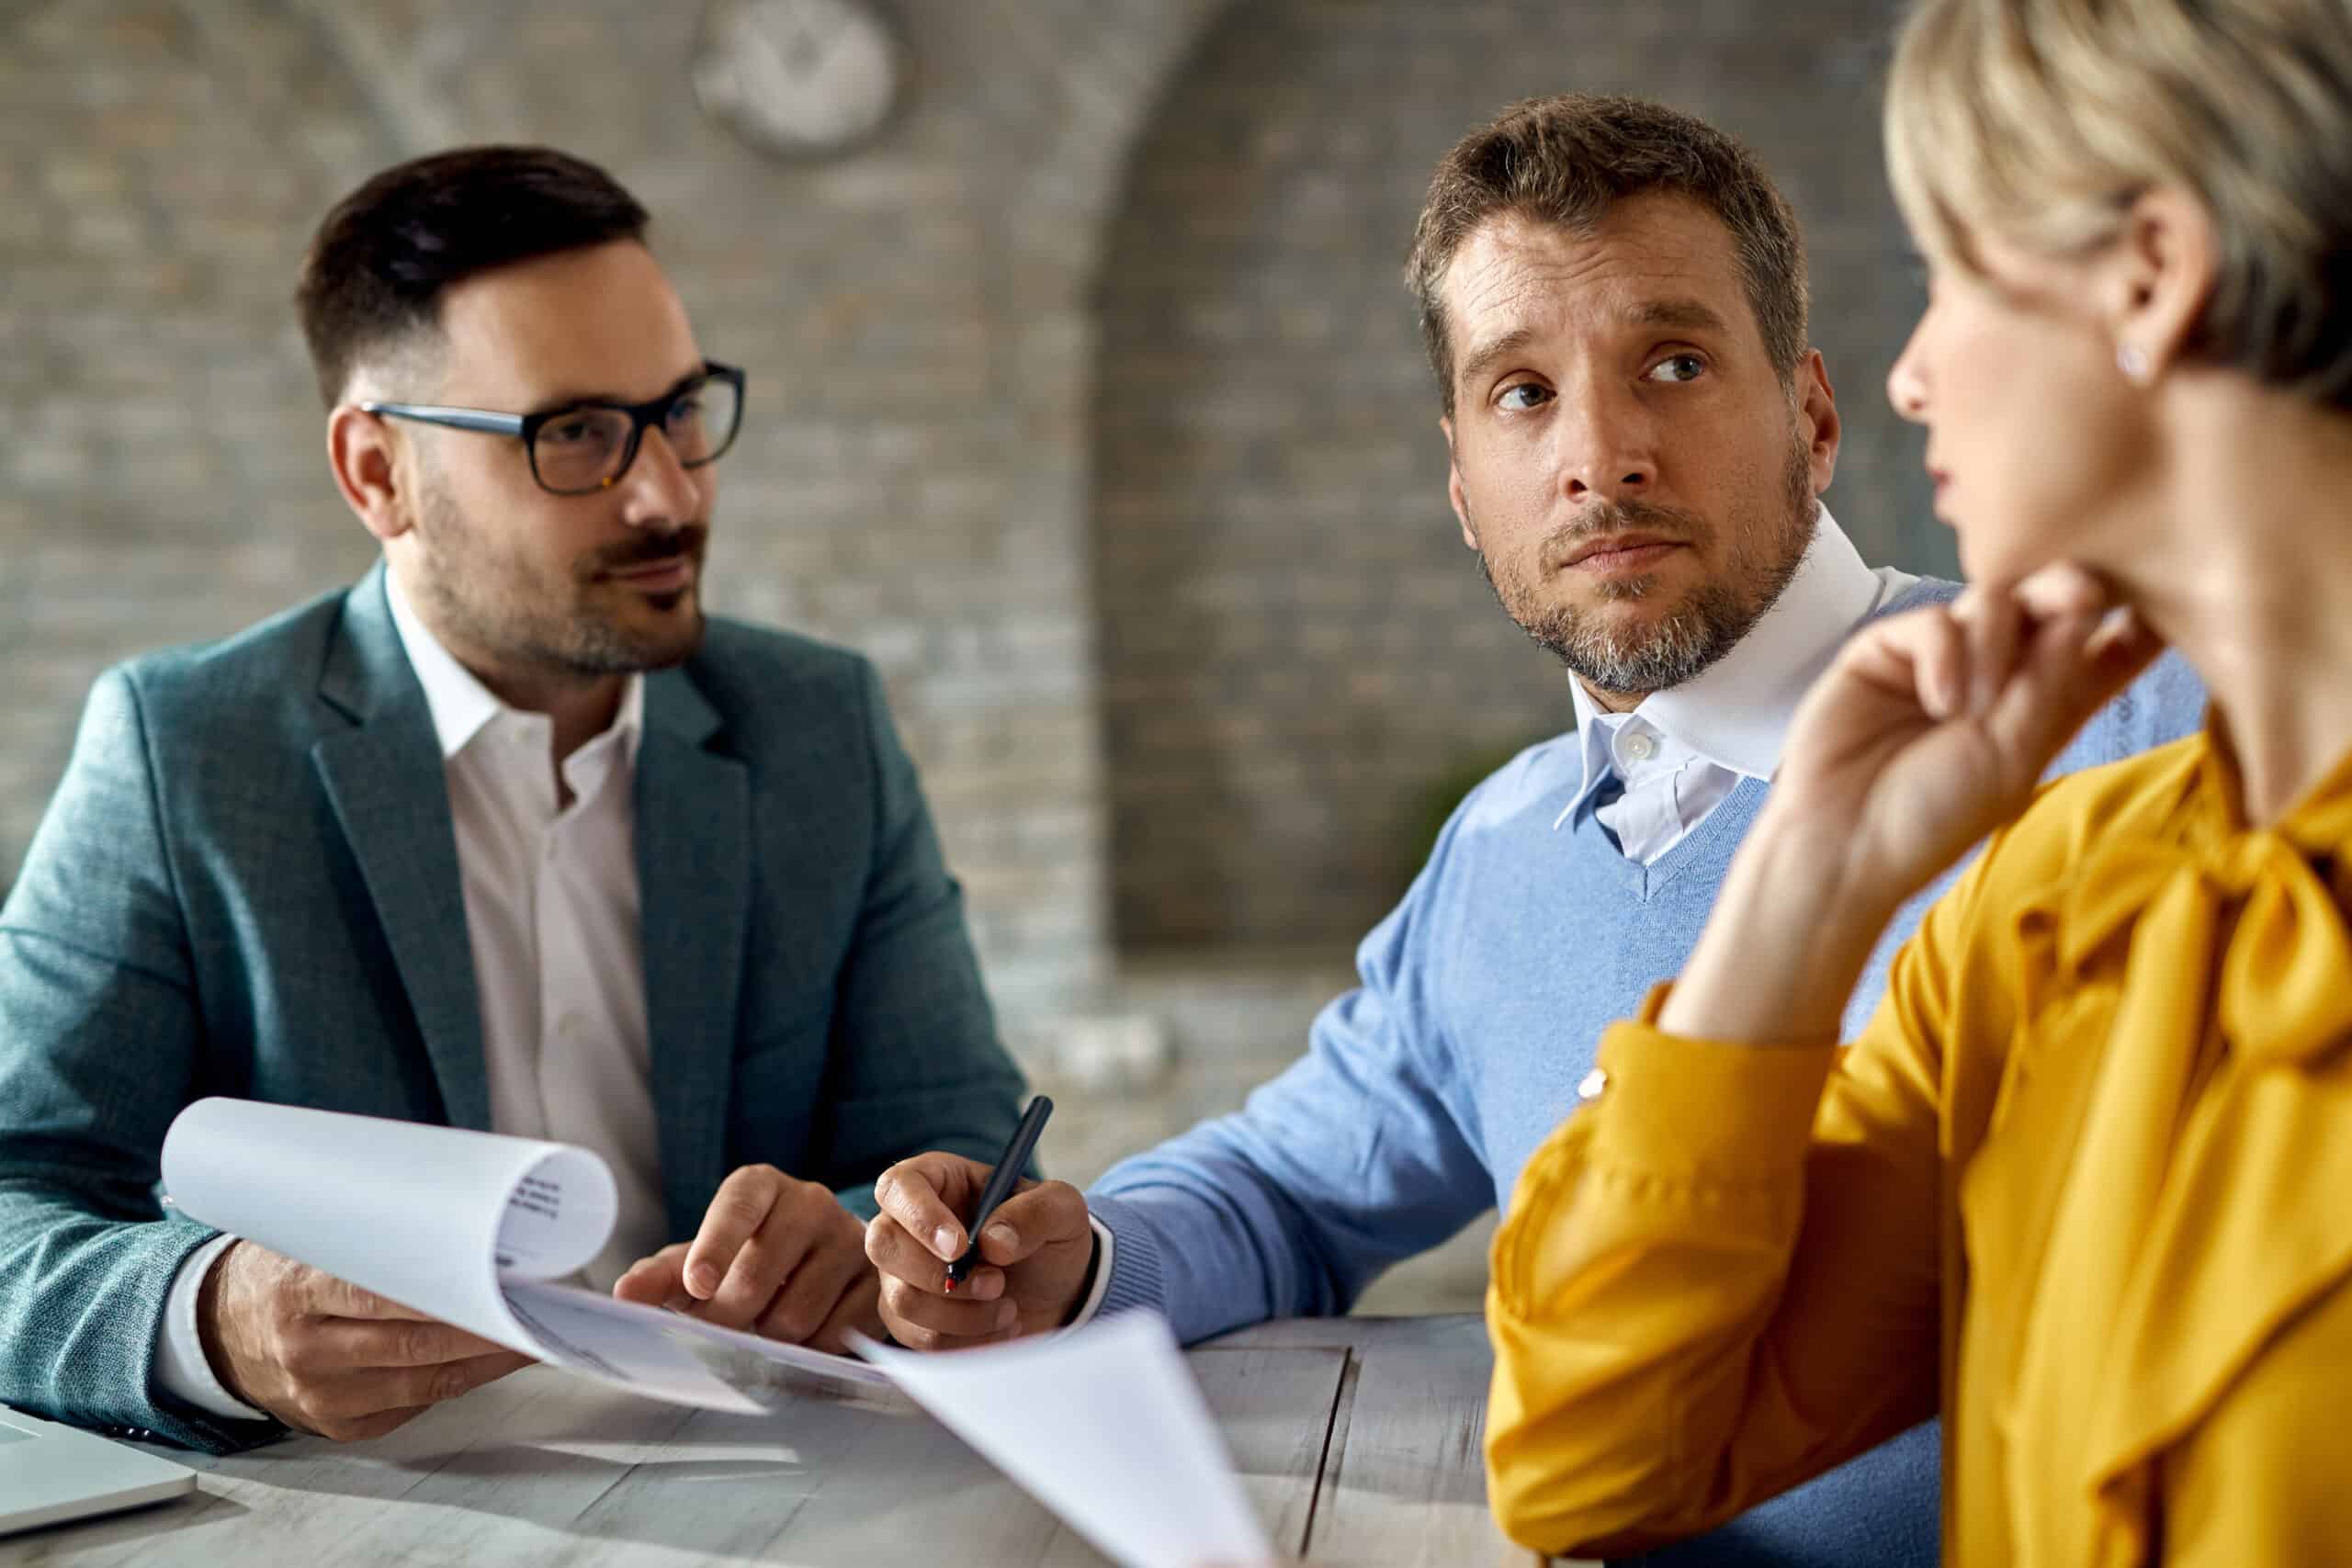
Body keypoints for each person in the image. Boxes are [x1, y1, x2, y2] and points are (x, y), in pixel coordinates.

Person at [861, 96, 2207, 1564]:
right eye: (1522, 394)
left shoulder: (2129, 729)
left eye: (1674, 364)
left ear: (1813, 417)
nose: (1602, 455)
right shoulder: (1500, 851)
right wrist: (1080, 1260)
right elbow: (1287, 1187)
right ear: (1461, 488)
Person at [1480, 1, 2352, 1562]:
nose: (1908, 379)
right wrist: (1807, 883)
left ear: (2152, 277)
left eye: (1952, 274)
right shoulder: (2054, 899)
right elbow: (1590, 1468)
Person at [0, 146, 1028, 1454]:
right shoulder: (186, 751)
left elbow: (970, 1165)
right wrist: (212, 1323)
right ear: (378, 476)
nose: (670, 492)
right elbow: (13, 1195)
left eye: (679, 409)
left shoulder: (818, 729)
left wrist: (876, 1244)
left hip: (786, 1486)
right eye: (577, 435)